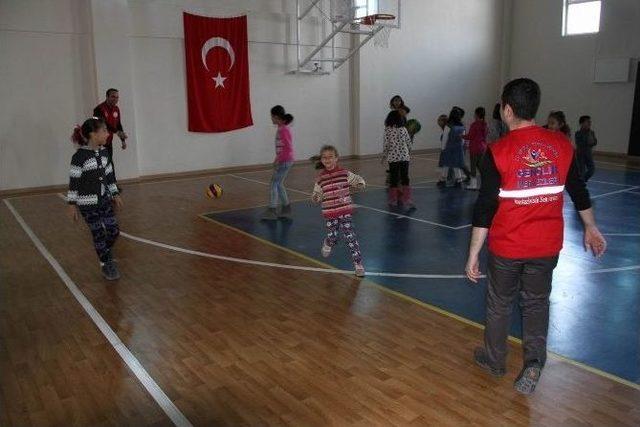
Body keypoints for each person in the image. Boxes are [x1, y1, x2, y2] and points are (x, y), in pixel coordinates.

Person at [465, 78, 606, 395]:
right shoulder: (561, 145)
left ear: (507, 110)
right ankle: (532, 363)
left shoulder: (497, 152)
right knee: (536, 304)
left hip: (507, 248)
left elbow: (485, 208)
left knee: (500, 304)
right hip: (546, 247)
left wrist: (473, 253)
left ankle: (495, 359)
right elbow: (578, 190)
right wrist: (591, 226)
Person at [68, 117, 123, 281]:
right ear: (93, 134)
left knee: (114, 230)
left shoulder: (105, 153)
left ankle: (104, 251)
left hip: (105, 200)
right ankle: (106, 264)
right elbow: (74, 182)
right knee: (98, 233)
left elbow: (109, 177)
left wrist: (114, 193)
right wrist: (71, 204)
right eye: (104, 131)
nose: (107, 134)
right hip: (87, 204)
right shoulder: (79, 157)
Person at [311, 145, 366, 277]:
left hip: (345, 211)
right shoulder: (320, 179)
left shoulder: (344, 173)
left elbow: (358, 180)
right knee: (332, 236)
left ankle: (358, 264)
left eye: (330, 157)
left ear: (336, 158)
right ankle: (328, 242)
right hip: (330, 214)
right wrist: (316, 198)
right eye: (324, 157)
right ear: (321, 160)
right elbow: (316, 195)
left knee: (350, 237)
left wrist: (360, 184)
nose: (327, 159)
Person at [262, 105, 295, 220]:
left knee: (273, 184)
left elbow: (288, 147)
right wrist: (277, 159)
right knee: (279, 183)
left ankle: (272, 210)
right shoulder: (281, 128)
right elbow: (281, 147)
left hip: (285, 161)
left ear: (276, 117)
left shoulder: (284, 130)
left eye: (271, 116)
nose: (271, 119)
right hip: (284, 160)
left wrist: (279, 160)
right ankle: (286, 208)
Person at [93, 88, 128, 184]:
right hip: (98, 142)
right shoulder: (99, 109)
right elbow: (104, 124)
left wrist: (123, 140)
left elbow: (118, 124)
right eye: (113, 96)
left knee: (109, 163)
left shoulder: (116, 109)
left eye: (117, 97)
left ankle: (112, 186)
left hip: (108, 141)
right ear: (107, 97)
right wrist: (117, 132)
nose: (115, 99)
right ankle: (102, 186)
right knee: (100, 164)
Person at [382, 110, 415, 210]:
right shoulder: (403, 129)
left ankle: (393, 200)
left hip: (393, 158)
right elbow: (409, 142)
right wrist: (409, 152)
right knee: (405, 178)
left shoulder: (387, 130)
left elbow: (386, 145)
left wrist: (384, 156)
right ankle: (408, 199)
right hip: (404, 157)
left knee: (394, 179)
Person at [438, 106, 466, 187]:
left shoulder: (448, 126)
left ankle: (442, 180)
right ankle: (459, 181)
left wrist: (443, 148)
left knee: (446, 164)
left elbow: (445, 138)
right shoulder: (462, 126)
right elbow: (463, 139)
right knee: (456, 165)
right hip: (458, 148)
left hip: (449, 148)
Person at [463, 107, 489, 190]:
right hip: (482, 147)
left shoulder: (474, 125)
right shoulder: (485, 124)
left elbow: (470, 136)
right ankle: (486, 183)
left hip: (474, 148)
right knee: (481, 166)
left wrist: (461, 136)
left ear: (476, 114)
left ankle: (473, 184)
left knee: (473, 166)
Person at [575, 115, 597, 181]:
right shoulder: (578, 133)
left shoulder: (591, 132)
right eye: (587, 122)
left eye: (590, 122)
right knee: (581, 171)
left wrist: (591, 138)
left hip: (589, 154)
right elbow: (580, 143)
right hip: (580, 155)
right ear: (581, 124)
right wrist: (588, 140)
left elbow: (594, 142)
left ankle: (583, 180)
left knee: (592, 169)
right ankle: (581, 182)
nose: (589, 123)